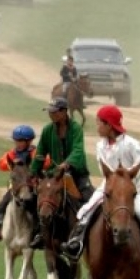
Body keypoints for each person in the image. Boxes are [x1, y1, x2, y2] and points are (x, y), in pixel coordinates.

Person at [60, 105, 140, 261]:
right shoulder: (100, 145)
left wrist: (128, 178)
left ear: (109, 125)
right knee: (86, 210)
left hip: (130, 186)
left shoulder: (131, 144)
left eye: (99, 123)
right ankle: (77, 243)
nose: (97, 127)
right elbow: (103, 168)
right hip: (108, 186)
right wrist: (112, 181)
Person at [28, 97, 93, 249]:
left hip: (77, 173)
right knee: (35, 198)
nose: (51, 115)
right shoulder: (47, 130)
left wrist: (67, 163)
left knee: (90, 199)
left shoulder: (76, 129)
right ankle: (39, 232)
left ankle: (88, 233)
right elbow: (40, 153)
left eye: (54, 112)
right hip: (54, 174)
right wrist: (33, 172)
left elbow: (78, 150)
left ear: (64, 112)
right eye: (49, 112)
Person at [0, 125, 51, 242]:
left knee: (36, 207)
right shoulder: (12, 154)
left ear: (29, 141)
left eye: (21, 141)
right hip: (17, 188)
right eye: (16, 141)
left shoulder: (35, 152)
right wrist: (11, 163)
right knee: (2, 205)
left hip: (33, 186)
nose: (18, 144)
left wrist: (34, 163)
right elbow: (1, 163)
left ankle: (40, 232)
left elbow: (46, 161)